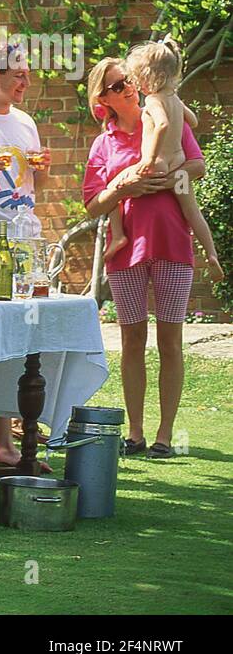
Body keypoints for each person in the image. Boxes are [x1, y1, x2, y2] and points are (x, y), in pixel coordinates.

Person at [82, 56, 207, 459]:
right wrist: (123, 189)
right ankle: (134, 434)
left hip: (172, 242)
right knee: (132, 339)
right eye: (117, 86)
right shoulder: (104, 143)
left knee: (171, 342)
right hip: (126, 253)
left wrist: (164, 180)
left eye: (128, 80)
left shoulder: (164, 110)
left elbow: (198, 166)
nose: (128, 88)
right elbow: (92, 204)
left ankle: (165, 436)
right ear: (103, 98)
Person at [0, 41, 52, 462]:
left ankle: (22, 440)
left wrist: (43, 171)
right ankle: (0, 444)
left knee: (23, 341)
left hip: (25, 238)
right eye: (17, 74)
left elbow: (36, 188)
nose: (25, 80)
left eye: (26, 73)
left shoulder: (26, 122)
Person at [108, 39, 221, 280]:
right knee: (192, 211)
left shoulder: (153, 100)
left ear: (148, 78)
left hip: (157, 163)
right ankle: (211, 253)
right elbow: (193, 121)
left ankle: (118, 235)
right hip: (178, 166)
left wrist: (148, 158)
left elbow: (162, 124)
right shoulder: (174, 98)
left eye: (137, 79)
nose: (135, 85)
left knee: (113, 187)